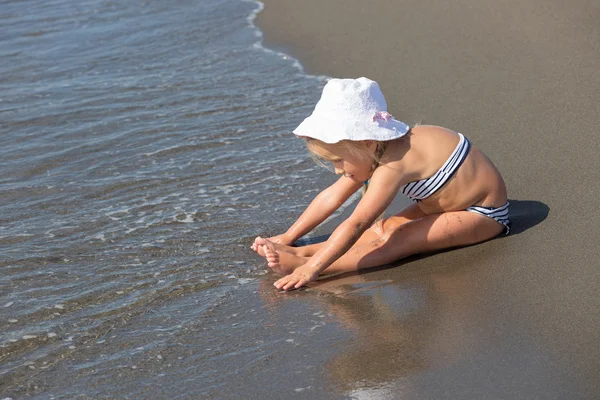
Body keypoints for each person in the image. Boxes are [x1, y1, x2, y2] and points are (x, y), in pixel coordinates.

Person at [251, 77, 509, 291]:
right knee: (382, 228)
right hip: (442, 207)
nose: (337, 169)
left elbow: (356, 222)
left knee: (398, 239)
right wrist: (289, 237)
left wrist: (312, 270)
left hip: (483, 215)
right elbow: (331, 196)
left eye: (339, 160)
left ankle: (310, 263)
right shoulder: (379, 149)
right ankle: (298, 253)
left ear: (367, 143)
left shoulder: (394, 165)